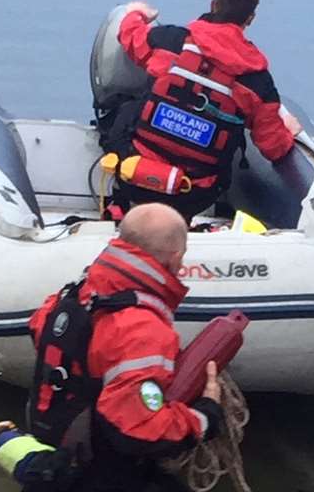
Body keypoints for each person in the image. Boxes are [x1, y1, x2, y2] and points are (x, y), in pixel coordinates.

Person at [24, 203, 223, 492]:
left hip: (56, 465)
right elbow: (138, 428)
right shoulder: (143, 329)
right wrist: (206, 414)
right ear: (177, 258)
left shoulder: (70, 296)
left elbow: (43, 332)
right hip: (102, 474)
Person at [102, 0, 302, 220]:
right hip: (193, 195)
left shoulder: (171, 41)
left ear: (212, 4)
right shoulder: (258, 82)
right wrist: (288, 132)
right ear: (250, 19)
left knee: (125, 109)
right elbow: (274, 147)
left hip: (133, 173)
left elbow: (132, 40)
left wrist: (136, 14)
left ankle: (120, 204)